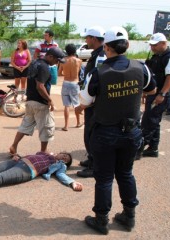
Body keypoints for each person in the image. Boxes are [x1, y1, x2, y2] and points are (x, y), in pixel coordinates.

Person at [77, 26, 156, 235]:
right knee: (126, 173)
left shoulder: (98, 72)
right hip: (131, 132)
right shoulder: (142, 68)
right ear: (127, 45)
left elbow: (84, 100)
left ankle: (101, 220)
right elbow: (152, 89)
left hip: (105, 132)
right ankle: (129, 217)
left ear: (106, 47)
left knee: (104, 178)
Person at [9, 48, 66, 156]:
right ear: (50, 56)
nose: (56, 63)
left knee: (25, 125)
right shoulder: (44, 67)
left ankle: (14, 146)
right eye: (56, 60)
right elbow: (40, 86)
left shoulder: (34, 62)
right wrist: (49, 100)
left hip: (30, 100)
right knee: (46, 126)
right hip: (40, 102)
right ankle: (43, 151)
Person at [74, 26, 107, 178]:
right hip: (91, 101)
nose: (86, 40)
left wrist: (87, 102)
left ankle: (95, 166)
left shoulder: (101, 55)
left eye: (87, 38)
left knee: (92, 134)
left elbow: (99, 80)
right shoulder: (96, 54)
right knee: (89, 132)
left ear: (93, 38)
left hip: (94, 103)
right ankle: (91, 159)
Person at [140, 33, 170, 157]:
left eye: (155, 45)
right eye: (151, 45)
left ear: (163, 43)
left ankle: (139, 148)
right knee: (153, 121)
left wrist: (162, 94)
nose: (152, 47)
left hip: (161, 95)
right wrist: (147, 92)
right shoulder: (156, 56)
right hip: (153, 93)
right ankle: (153, 148)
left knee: (149, 121)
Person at [58, 43, 83, 131]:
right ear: (74, 51)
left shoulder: (63, 60)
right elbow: (79, 72)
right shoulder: (79, 61)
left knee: (66, 105)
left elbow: (59, 73)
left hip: (65, 82)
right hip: (75, 83)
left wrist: (65, 74)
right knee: (76, 104)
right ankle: (78, 122)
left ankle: (66, 126)